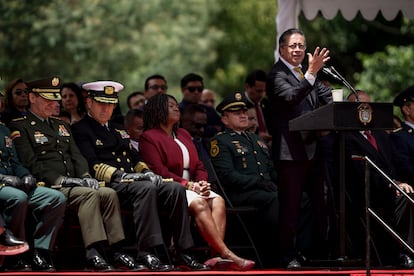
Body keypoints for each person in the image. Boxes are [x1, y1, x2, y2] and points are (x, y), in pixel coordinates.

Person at [71, 80, 209, 271]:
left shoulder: (118, 128)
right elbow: (91, 164)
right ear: (89, 103)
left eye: (110, 104)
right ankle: (147, 252)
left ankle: (184, 250)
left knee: (174, 189)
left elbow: (135, 157)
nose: (106, 109)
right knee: (146, 188)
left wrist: (145, 172)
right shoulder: (80, 129)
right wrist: (126, 176)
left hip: (134, 182)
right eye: (101, 104)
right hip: (110, 183)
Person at [9, 77, 141, 272]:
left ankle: (117, 249)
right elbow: (31, 163)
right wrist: (63, 180)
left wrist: (86, 175)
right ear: (32, 98)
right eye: (48, 99)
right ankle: (93, 253)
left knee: (108, 193)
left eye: (55, 100)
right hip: (50, 183)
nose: (54, 104)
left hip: (74, 182)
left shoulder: (60, 125)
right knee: (90, 194)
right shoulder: (20, 125)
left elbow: (76, 155)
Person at [139, 93, 255, 271]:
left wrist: (202, 183)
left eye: (176, 105)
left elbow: (199, 164)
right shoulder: (149, 137)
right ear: (158, 110)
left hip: (193, 186)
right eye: (170, 106)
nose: (176, 108)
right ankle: (226, 254)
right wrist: (189, 185)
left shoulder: (183, 134)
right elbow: (158, 171)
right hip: (170, 189)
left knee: (218, 200)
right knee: (200, 203)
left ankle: (212, 256)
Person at [266, 28, 332, 268]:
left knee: (320, 205)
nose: (297, 50)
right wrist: (312, 73)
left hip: (313, 150)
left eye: (301, 46)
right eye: (293, 46)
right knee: (290, 207)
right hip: (290, 153)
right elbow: (292, 97)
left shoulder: (306, 74)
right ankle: (286, 254)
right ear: (282, 48)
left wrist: (350, 102)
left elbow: (327, 96)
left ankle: (314, 250)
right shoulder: (276, 76)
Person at [342, 89, 414, 267]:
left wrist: (398, 181)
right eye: (360, 107)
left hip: (390, 187)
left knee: (407, 193)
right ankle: (405, 252)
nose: (366, 111)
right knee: (406, 199)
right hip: (368, 192)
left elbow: (395, 164)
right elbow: (359, 172)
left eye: (369, 106)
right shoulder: (347, 138)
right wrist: (392, 184)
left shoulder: (381, 135)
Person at [209, 92, 279, 267]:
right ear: (224, 120)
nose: (243, 115)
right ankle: (276, 254)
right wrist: (258, 182)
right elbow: (227, 176)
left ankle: (300, 250)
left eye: (243, 111)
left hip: (264, 190)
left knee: (302, 199)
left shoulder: (256, 139)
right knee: (275, 200)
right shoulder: (221, 141)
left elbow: (271, 169)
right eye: (236, 113)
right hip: (240, 194)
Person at [0, 97, 66, 271]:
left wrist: (26, 175)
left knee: (55, 198)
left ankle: (40, 250)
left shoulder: (4, 129)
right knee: (18, 197)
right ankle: (15, 254)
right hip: (3, 184)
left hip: (13, 181)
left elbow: (14, 162)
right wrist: (3, 179)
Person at [179, 73, 222, 138]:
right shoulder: (177, 110)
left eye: (200, 89)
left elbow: (221, 128)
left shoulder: (209, 110)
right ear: (183, 90)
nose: (196, 92)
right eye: (192, 89)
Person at [244, 70, 272, 144]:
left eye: (264, 91)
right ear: (247, 87)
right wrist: (256, 136)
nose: (262, 95)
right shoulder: (239, 105)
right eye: (258, 91)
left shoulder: (267, 103)